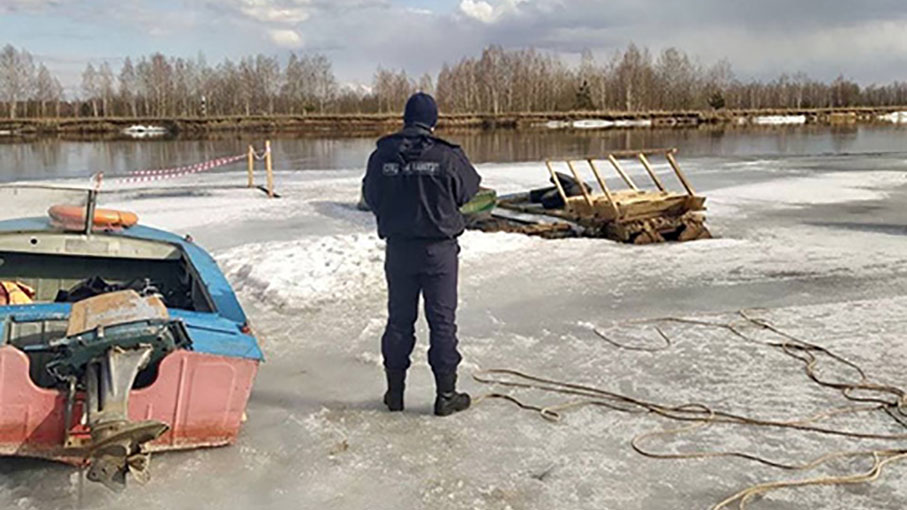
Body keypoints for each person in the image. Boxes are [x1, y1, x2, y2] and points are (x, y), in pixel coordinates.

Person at [362, 92, 482, 417]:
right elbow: (469, 189)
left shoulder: (382, 154)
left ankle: (395, 393)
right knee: (442, 323)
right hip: (438, 252)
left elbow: (370, 196)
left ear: (405, 118)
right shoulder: (447, 155)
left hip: (399, 250)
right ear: (433, 121)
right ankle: (446, 395)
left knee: (399, 322)